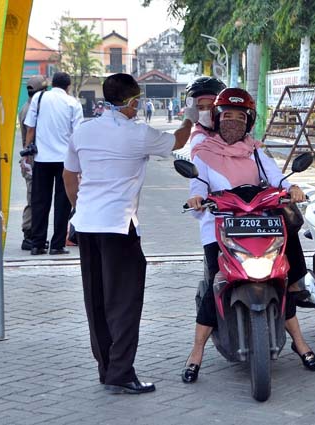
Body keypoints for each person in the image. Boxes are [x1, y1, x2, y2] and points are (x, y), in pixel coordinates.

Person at [62, 73, 196, 394]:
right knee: (123, 301)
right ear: (133, 102)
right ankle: (121, 371)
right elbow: (178, 141)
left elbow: (69, 176)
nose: (138, 108)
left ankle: (106, 367)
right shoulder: (138, 134)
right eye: (137, 102)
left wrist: (79, 208)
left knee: (95, 299)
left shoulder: (83, 130)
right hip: (119, 227)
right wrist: (190, 118)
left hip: (87, 226)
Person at [181, 88, 315, 383]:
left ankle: (299, 341)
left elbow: (278, 179)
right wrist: (197, 199)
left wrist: (291, 190)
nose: (233, 122)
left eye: (239, 117)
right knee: (215, 283)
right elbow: (197, 185)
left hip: (259, 224)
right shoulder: (204, 152)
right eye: (227, 116)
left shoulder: (256, 150)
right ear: (217, 119)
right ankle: (196, 353)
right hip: (220, 228)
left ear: (249, 120)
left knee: (279, 279)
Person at [24, 72, 83, 256]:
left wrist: (26, 153)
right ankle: (57, 245)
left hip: (41, 159)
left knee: (40, 201)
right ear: (68, 86)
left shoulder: (39, 98)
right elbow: (77, 135)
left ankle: (38, 244)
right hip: (65, 161)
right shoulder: (73, 103)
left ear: (52, 84)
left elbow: (30, 127)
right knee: (62, 203)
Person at [18, 75, 48, 251]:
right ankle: (29, 234)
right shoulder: (32, 110)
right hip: (32, 161)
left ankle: (33, 233)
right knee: (33, 198)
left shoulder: (28, 107)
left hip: (31, 160)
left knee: (34, 197)